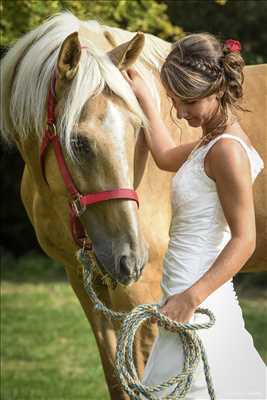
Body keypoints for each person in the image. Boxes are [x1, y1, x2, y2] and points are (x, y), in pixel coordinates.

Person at [124, 33, 266, 398]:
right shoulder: (209, 144)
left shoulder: (227, 152)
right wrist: (148, 101)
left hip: (198, 296)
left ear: (216, 90)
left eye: (188, 102)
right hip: (180, 290)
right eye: (175, 102)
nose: (183, 113)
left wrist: (191, 298)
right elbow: (164, 155)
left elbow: (244, 239)